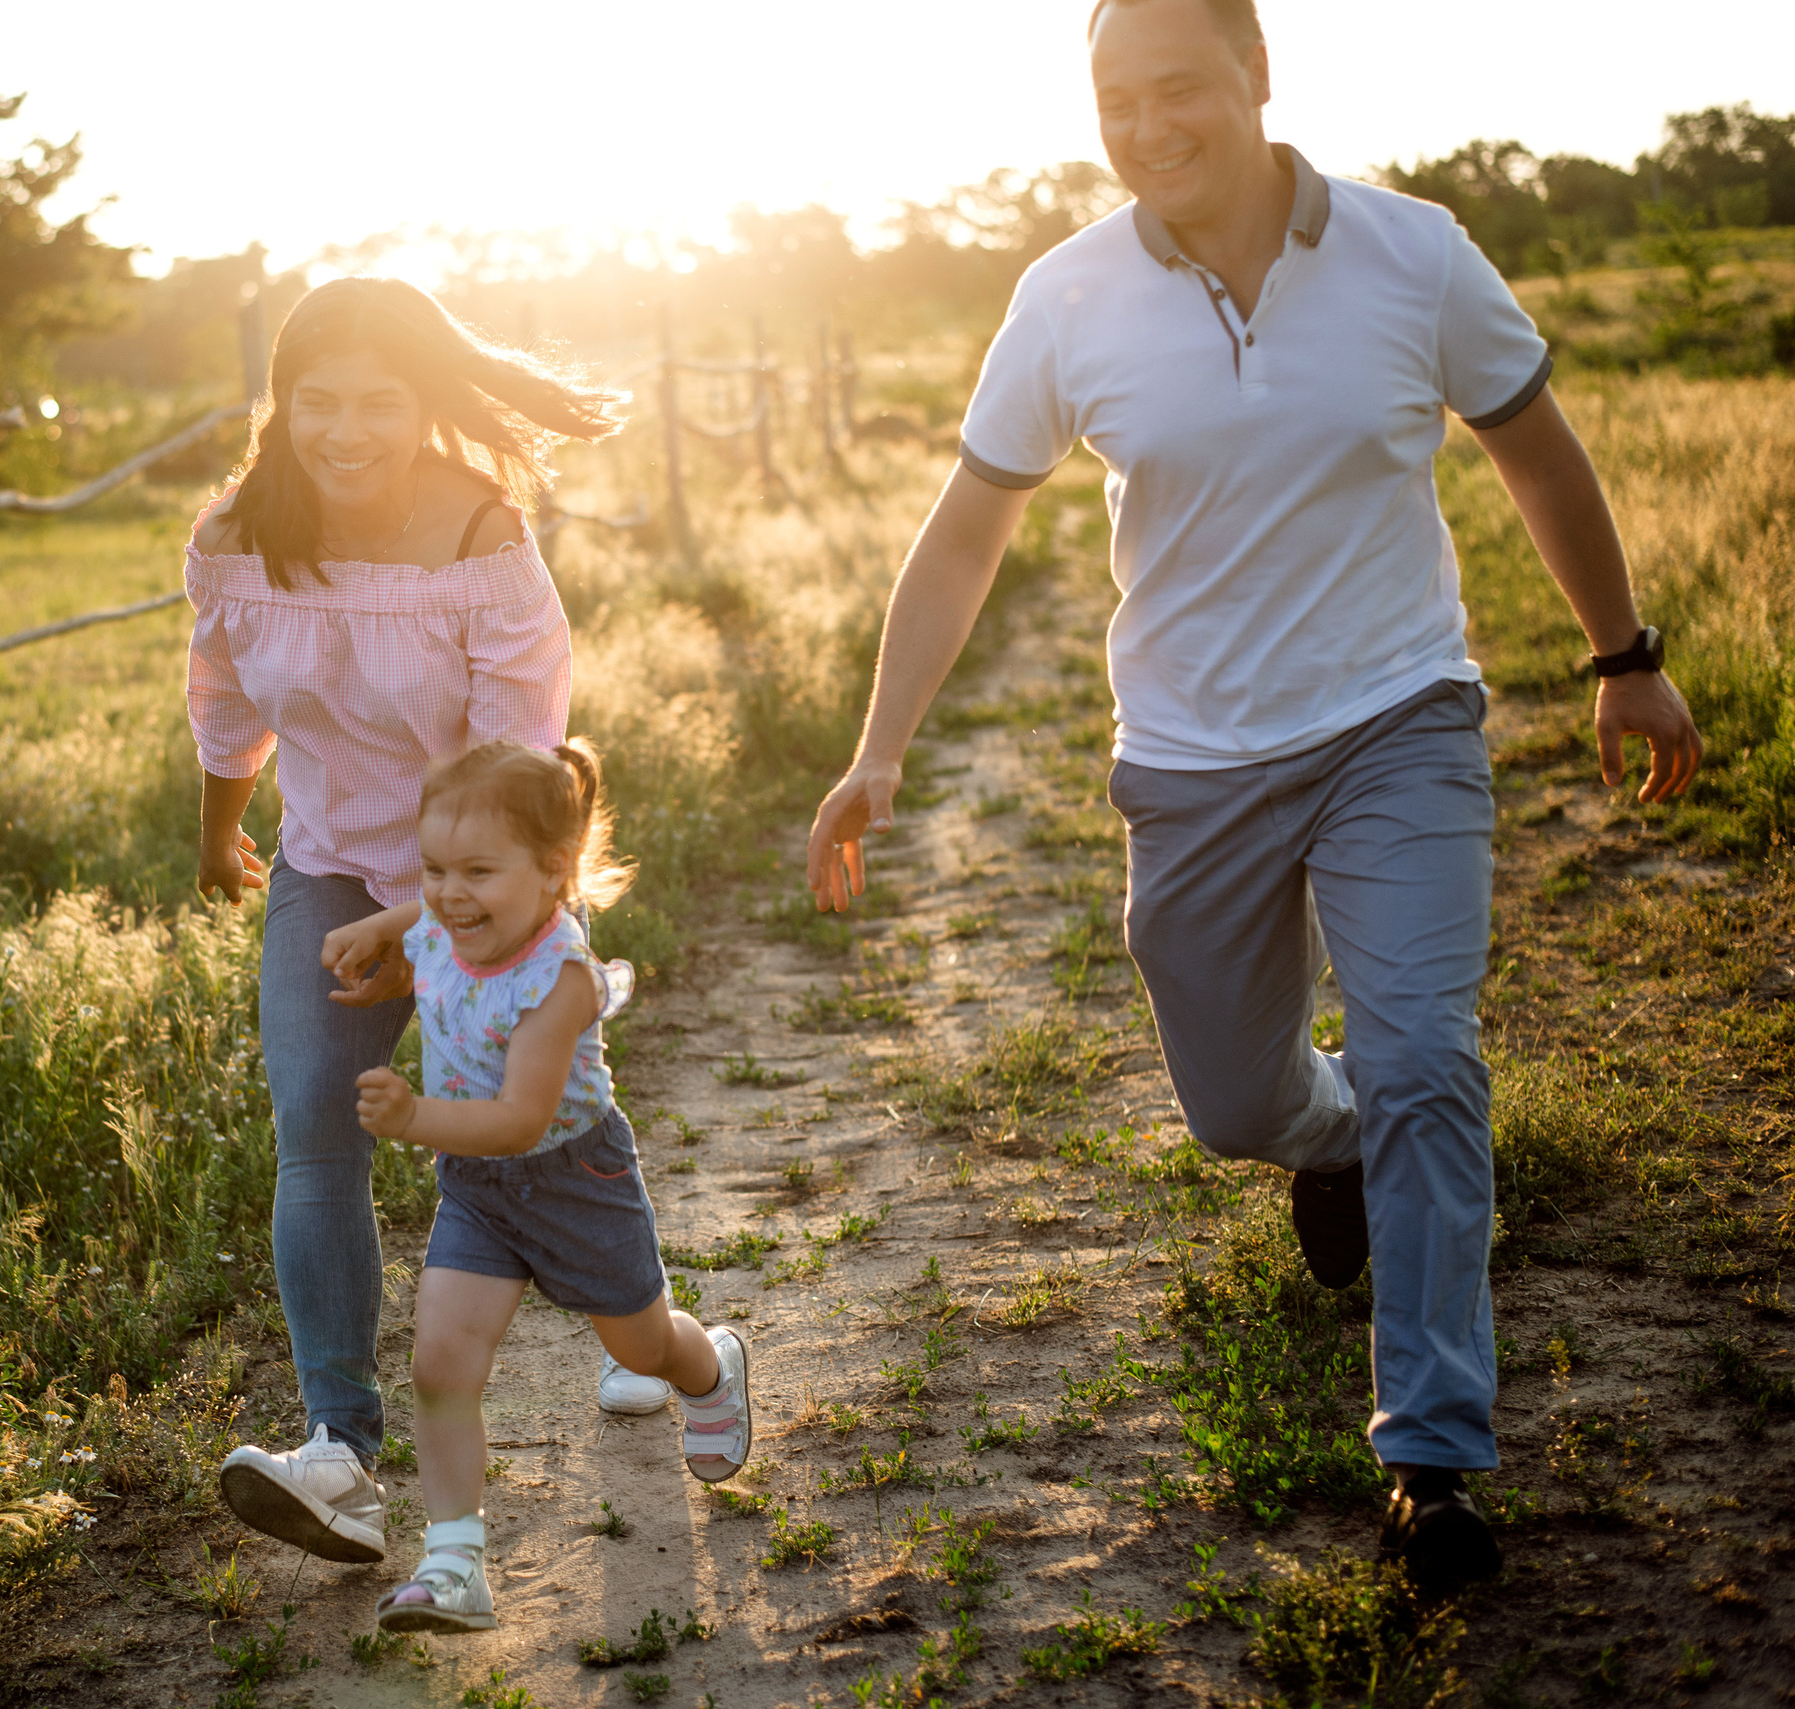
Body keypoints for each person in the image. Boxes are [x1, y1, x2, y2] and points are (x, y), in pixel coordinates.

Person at [805, 0, 1703, 1594]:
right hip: (1194, 758)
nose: (1147, 126)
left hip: (1396, 722)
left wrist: (1621, 654)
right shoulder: (1066, 295)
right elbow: (963, 535)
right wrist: (880, 747)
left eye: (1178, 89)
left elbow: (1538, 455)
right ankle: (1328, 1138)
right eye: (1113, 97)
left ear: (1258, 78)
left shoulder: (1414, 254)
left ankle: (1433, 1451)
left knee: (1429, 1052)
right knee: (1236, 1106)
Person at [187, 279, 668, 1568]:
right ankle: (339, 1452)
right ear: (282, 400)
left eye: (378, 402)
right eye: (317, 400)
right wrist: (216, 823)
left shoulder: (477, 536)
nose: (345, 429)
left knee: (534, 1138)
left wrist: (432, 911)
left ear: (424, 402)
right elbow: (223, 685)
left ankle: (648, 1327)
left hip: (482, 880)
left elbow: (522, 766)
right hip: (328, 862)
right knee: (314, 1126)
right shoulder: (239, 527)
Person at [321, 739, 754, 1634]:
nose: (447, 891)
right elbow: (428, 916)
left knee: (640, 1349)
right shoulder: (447, 921)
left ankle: (710, 1369)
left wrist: (413, 1117)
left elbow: (521, 1117)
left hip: (574, 1181)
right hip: (478, 1194)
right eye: (434, 867)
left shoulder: (559, 981)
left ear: (554, 874)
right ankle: (453, 1562)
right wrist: (385, 924)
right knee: (440, 1362)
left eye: (477, 870)